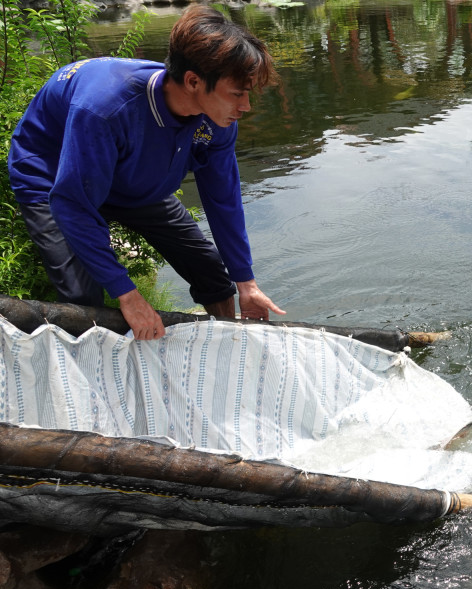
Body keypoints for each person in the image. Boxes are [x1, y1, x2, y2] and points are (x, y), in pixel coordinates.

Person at [7, 5, 285, 341]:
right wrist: (128, 294)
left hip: (128, 179)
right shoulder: (106, 108)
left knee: (211, 272)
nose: (245, 107)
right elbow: (73, 204)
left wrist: (247, 283)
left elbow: (222, 198)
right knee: (82, 297)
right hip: (54, 178)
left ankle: (229, 346)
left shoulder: (218, 118)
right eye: (238, 93)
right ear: (193, 81)